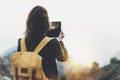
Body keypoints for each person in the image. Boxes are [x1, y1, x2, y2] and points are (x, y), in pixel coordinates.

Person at [17, 5, 69, 80]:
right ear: (46, 22)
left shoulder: (21, 42)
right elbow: (64, 58)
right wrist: (60, 41)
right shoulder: (52, 43)